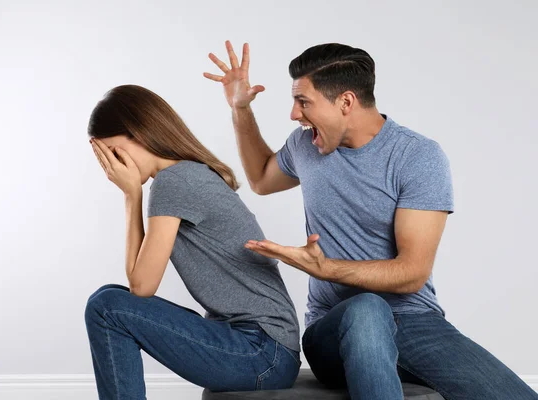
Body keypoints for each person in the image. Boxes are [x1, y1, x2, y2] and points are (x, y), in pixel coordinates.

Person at [204, 41, 538, 400]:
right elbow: (262, 179)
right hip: (333, 329)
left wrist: (327, 269)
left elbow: (412, 272)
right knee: (367, 308)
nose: (294, 114)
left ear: (346, 102)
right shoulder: (305, 146)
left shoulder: (416, 157)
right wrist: (240, 109)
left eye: (304, 102)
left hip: (413, 322)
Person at [84, 84, 301, 400]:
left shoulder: (175, 181)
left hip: (262, 351)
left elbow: (142, 286)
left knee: (105, 307)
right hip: (260, 346)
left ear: (140, 134)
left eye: (114, 152)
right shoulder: (182, 176)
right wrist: (132, 193)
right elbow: (135, 286)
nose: (112, 167)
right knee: (109, 298)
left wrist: (132, 195)